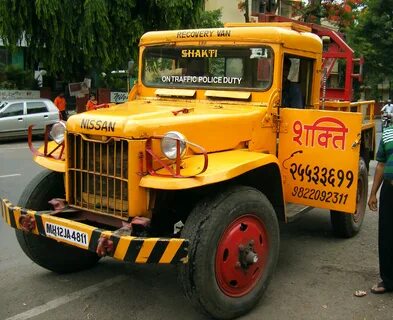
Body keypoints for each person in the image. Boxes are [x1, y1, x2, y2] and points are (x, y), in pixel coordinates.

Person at [367, 124, 393, 294]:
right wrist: (373, 193)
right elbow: (381, 165)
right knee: (387, 235)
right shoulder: (388, 133)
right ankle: (388, 281)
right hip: (389, 191)